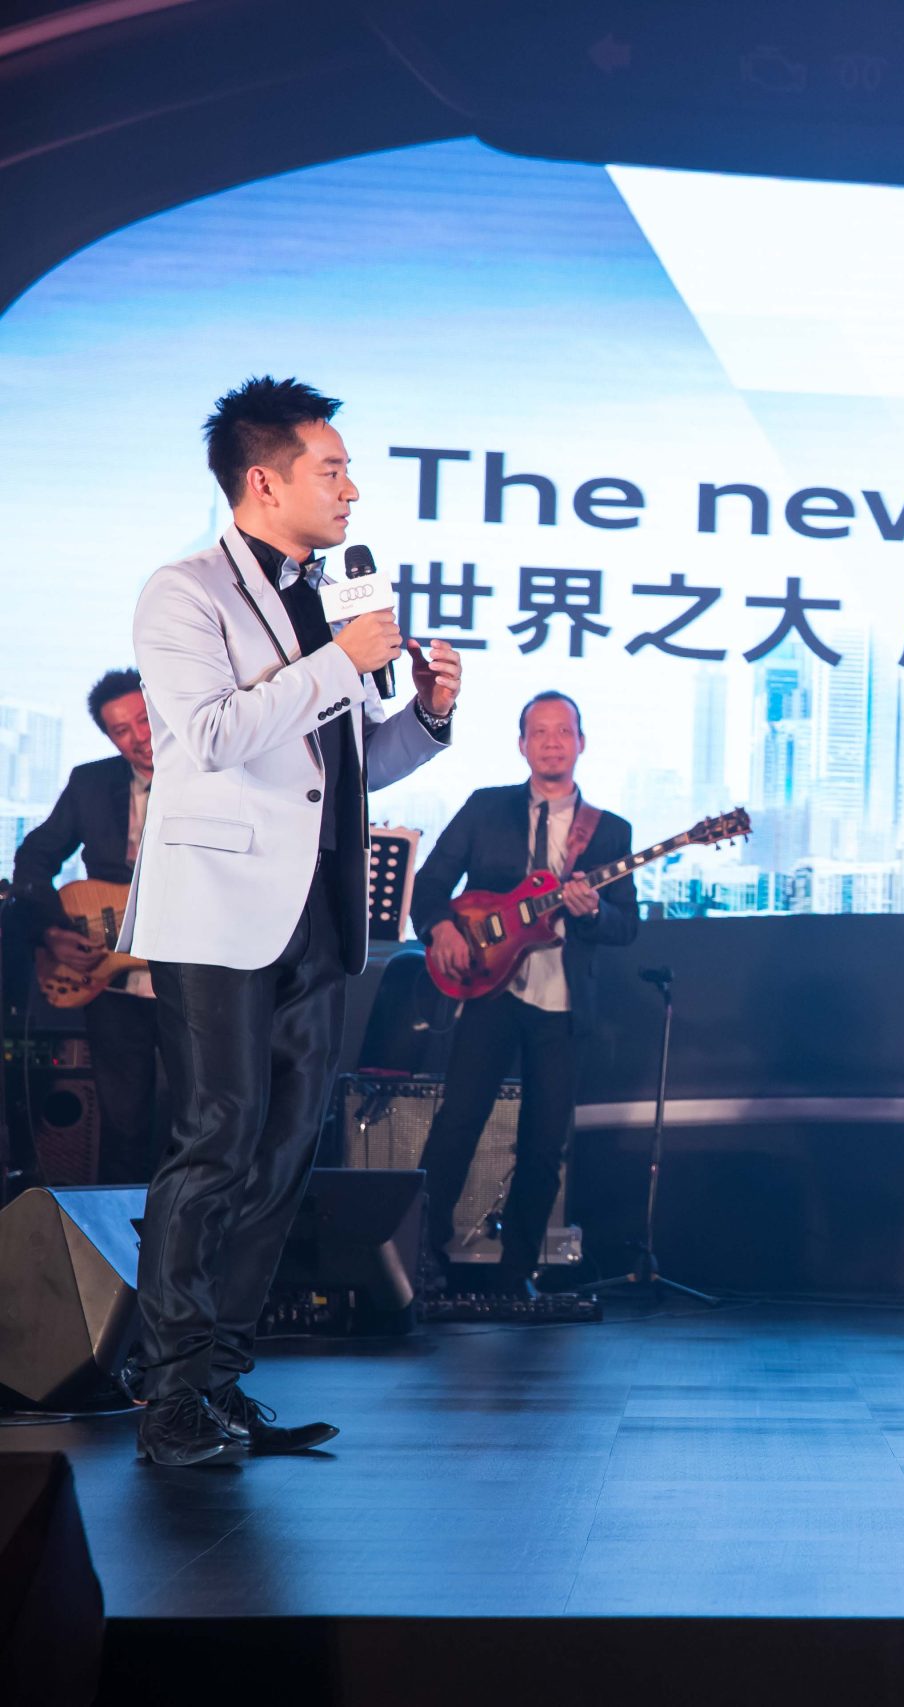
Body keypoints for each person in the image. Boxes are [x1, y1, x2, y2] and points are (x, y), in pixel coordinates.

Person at [122, 376, 461, 1467]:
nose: (353, 490)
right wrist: (339, 661)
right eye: (334, 469)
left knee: (282, 1156)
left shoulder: (329, 603)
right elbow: (216, 735)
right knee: (216, 1143)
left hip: (318, 909)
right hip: (218, 911)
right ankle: (168, 1395)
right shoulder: (183, 592)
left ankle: (221, 1383)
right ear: (264, 481)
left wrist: (428, 715)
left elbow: (343, 768)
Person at [411, 691, 636, 1296]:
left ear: (581, 742)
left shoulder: (610, 831)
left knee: (543, 1144)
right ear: (521, 744)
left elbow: (626, 926)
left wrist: (591, 913)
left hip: (563, 1004)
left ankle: (517, 1274)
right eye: (540, 732)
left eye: (563, 731)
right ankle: (421, 1257)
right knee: (457, 1124)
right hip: (490, 992)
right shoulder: (486, 808)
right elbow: (430, 884)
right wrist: (440, 929)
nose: (552, 742)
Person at [12, 668, 165, 1184]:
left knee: (200, 1120)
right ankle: (118, 1229)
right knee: (123, 1127)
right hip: (112, 984)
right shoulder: (90, 783)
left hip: (194, 980)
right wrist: (51, 932)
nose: (139, 737)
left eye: (144, 720)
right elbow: (34, 858)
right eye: (121, 730)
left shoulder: (214, 779)